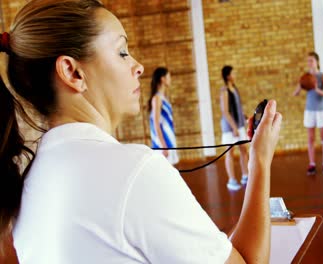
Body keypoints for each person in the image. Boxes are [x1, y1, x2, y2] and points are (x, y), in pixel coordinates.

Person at [0, 1, 282, 263]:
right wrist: (260, 160)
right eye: (122, 52)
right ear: (73, 73)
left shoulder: (30, 180)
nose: (138, 66)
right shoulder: (133, 172)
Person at [293, 52, 323, 175]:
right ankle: (312, 164)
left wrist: (317, 89)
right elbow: (295, 93)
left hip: (321, 111)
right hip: (309, 110)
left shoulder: (322, 76)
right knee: (310, 138)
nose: (309, 63)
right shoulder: (305, 77)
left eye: (311, 60)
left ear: (317, 62)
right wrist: (300, 85)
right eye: (308, 61)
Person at [220, 65, 250, 191]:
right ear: (228, 76)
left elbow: (237, 107)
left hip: (239, 124)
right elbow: (225, 111)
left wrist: (244, 116)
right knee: (230, 153)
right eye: (233, 73)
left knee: (244, 150)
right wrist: (234, 127)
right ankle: (231, 180)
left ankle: (245, 176)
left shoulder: (234, 89)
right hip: (230, 127)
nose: (235, 75)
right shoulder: (224, 91)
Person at [148, 67, 179, 165]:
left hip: (169, 138)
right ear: (163, 79)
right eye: (168, 77)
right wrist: (163, 145)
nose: (170, 79)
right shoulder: (157, 98)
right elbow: (156, 123)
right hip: (163, 142)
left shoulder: (163, 97)